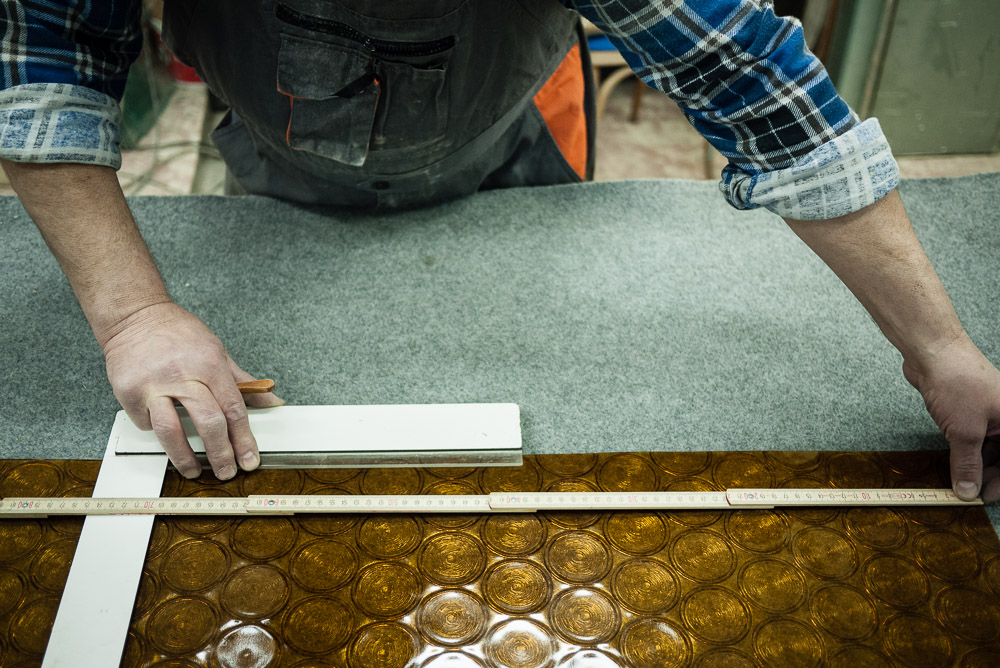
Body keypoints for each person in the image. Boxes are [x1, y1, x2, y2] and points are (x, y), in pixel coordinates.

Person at [2, 1, 998, 500]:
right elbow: (46, 60)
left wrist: (941, 349)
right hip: (275, 161)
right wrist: (135, 314)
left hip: (509, 147)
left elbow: (754, 81)